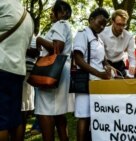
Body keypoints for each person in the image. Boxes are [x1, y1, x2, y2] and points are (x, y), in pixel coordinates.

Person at [34, 1, 73, 140]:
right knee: (58, 114)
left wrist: (39, 39)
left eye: (54, 11)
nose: (51, 14)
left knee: (44, 111)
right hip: (61, 70)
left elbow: (58, 47)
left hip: (52, 71)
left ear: (62, 12)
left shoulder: (60, 24)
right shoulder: (65, 26)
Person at [73, 8, 111, 141]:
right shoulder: (82, 34)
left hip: (98, 83)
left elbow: (102, 58)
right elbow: (78, 59)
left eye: (104, 25)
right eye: (99, 23)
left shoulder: (99, 39)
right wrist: (98, 74)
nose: (101, 27)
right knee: (84, 116)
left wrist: (107, 66)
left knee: (95, 115)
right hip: (85, 81)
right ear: (91, 20)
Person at [0, 0, 34, 140]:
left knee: (1, 120)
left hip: (2, 66)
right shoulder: (28, 18)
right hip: (18, 71)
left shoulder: (3, 4)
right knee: (15, 118)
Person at [99, 9, 136, 77]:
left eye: (123, 25)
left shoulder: (129, 36)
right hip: (105, 62)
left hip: (120, 64)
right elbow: (100, 54)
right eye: (118, 24)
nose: (121, 28)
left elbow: (132, 57)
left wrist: (132, 66)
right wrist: (107, 65)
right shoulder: (102, 33)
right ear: (112, 22)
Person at [20, 35, 40, 140]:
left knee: (22, 109)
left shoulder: (35, 38)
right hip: (24, 72)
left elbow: (36, 52)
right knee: (22, 108)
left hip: (25, 72)